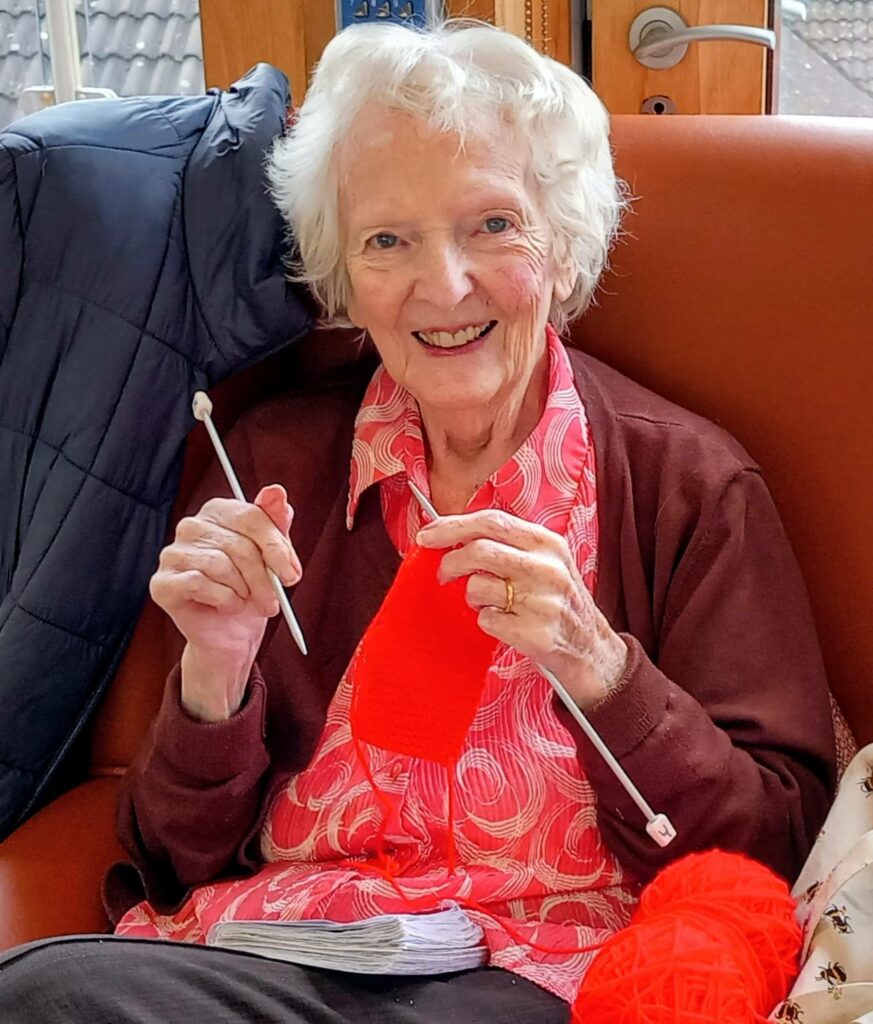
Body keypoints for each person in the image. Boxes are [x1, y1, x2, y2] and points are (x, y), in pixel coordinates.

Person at [0, 18, 836, 1024]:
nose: (442, 287)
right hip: (287, 955)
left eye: (491, 225)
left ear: (564, 242)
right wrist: (214, 675)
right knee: (48, 991)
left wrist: (602, 672)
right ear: (347, 276)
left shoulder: (689, 484)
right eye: (388, 240)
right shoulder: (273, 464)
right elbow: (173, 853)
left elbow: (772, 851)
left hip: (543, 972)